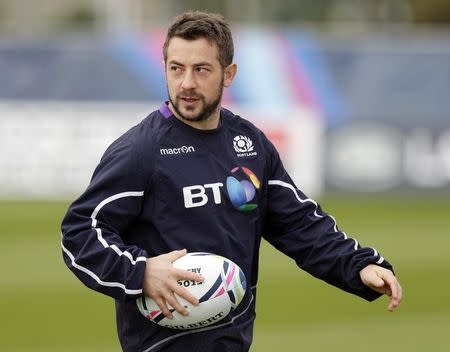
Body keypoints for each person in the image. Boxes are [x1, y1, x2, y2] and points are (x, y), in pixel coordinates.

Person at [61, 11, 402, 352]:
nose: (187, 83)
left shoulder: (249, 144)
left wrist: (358, 265)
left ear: (229, 74)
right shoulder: (140, 151)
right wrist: (141, 272)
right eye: (176, 68)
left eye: (201, 69)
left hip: (233, 341)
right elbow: (81, 232)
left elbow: (298, 223)